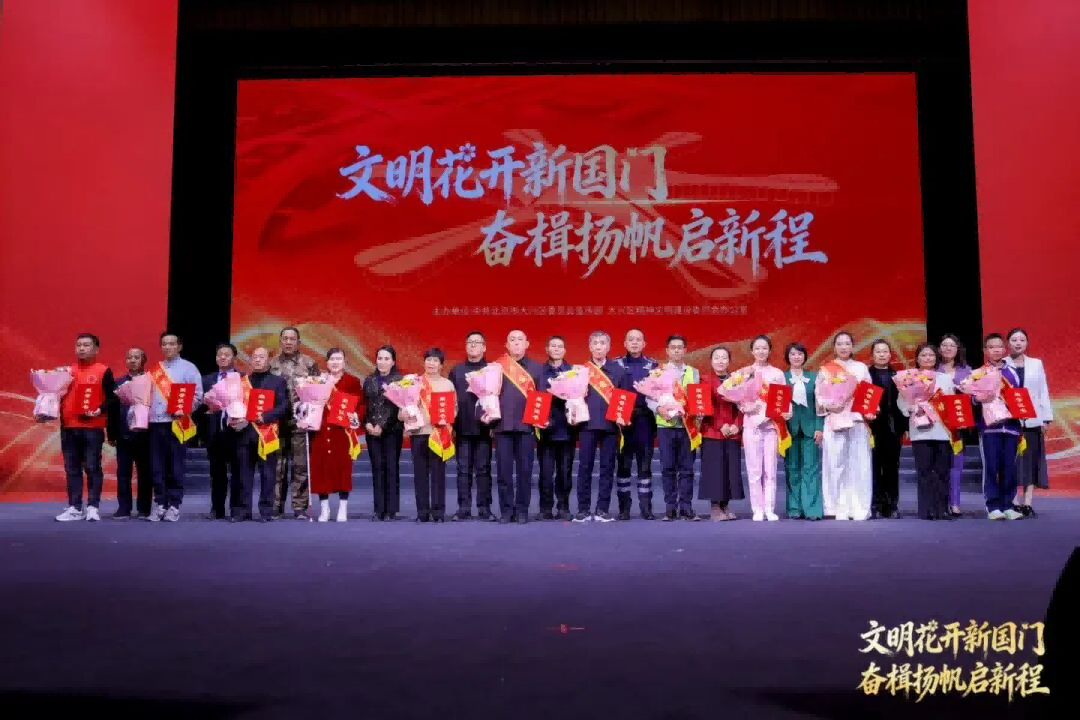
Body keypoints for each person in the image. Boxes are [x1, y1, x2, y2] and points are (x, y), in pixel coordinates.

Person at [53, 333, 115, 522]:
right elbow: (55, 395)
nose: (81, 348)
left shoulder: (103, 371)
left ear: (96, 349)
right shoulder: (67, 372)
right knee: (72, 469)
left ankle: (93, 507)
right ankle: (74, 507)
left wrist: (100, 410)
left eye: (86, 345)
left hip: (92, 428)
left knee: (92, 467)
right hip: (68, 427)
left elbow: (112, 398)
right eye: (78, 345)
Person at [816, 331, 874, 521]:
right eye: (840, 344)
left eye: (847, 343)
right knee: (835, 464)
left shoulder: (861, 368)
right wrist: (830, 406)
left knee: (859, 463)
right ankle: (837, 506)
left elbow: (868, 394)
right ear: (834, 347)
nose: (843, 347)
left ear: (852, 346)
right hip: (834, 420)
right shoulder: (826, 369)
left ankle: (859, 507)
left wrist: (869, 411)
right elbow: (819, 396)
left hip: (856, 421)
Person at [574, 331, 630, 522]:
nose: (599, 346)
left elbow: (625, 397)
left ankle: (602, 510)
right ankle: (583, 509)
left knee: (607, 468)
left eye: (602, 343)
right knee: (585, 468)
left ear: (608, 347)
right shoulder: (581, 371)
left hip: (610, 426)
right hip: (587, 425)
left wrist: (623, 417)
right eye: (595, 343)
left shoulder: (619, 371)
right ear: (590, 347)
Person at [146, 332, 202, 522]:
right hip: (155, 424)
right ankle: (160, 503)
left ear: (179, 346)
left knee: (176, 466)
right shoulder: (154, 370)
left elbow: (198, 396)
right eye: (164, 344)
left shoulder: (189, 368)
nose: (168, 347)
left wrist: (185, 409)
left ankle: (174, 505)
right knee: (156, 467)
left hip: (177, 423)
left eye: (171, 343)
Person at [492, 329, 544, 524]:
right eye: (512, 339)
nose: (516, 342)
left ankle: (522, 510)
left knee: (525, 471)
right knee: (503, 472)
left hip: (526, 427)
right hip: (502, 426)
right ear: (506, 345)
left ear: (527, 344)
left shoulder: (537, 368)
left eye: (519, 339)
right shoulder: (496, 367)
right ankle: (506, 511)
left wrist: (540, 419)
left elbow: (542, 398)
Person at [898, 343, 955, 520]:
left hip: (942, 430)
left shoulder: (944, 378)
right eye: (923, 355)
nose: (927, 358)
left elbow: (951, 401)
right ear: (917, 358)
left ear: (936, 358)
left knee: (942, 471)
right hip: (920, 430)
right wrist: (909, 408)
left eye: (931, 355)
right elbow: (901, 401)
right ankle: (926, 509)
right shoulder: (908, 378)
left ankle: (942, 508)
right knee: (924, 471)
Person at [234, 347, 289, 522]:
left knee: (268, 474)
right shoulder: (242, 382)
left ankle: (266, 511)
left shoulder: (278, 382)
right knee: (244, 474)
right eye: (254, 357)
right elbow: (234, 404)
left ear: (268, 360)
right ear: (250, 360)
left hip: (267, 433)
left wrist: (265, 416)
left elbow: (284, 406)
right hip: (244, 434)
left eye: (261, 357)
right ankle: (244, 510)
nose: (257, 360)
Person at [973, 333, 1024, 520]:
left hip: (1011, 427)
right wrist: (978, 398)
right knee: (991, 467)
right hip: (989, 428)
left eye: (999, 346)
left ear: (1004, 349)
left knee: (1009, 467)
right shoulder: (978, 373)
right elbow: (973, 399)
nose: (996, 350)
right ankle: (992, 506)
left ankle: (1008, 505)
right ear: (985, 351)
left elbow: (1020, 397)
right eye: (991, 347)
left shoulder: (1013, 372)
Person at [309, 348, 364, 522]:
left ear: (345, 362)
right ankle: (324, 509)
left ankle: (343, 507)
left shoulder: (352, 381)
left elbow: (360, 405)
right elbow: (310, 403)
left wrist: (355, 417)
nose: (335, 362)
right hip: (321, 430)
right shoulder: (318, 381)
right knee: (321, 469)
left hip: (342, 432)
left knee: (343, 469)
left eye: (339, 359)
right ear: (327, 362)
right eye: (332, 359)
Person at [269, 326, 318, 519]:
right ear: (280, 341)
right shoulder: (271, 364)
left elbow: (317, 391)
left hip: (301, 423)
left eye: (292, 339)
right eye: (285, 338)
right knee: (277, 466)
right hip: (277, 423)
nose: (288, 342)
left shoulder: (309, 363)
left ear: (299, 342)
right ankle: (276, 506)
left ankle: (299, 507)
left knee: (300, 466)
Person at [405, 348, 456, 523]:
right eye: (428, 359)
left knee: (438, 474)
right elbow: (402, 409)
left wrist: (447, 418)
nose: (431, 363)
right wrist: (404, 414)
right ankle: (422, 513)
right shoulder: (413, 383)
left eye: (435, 360)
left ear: (441, 365)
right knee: (420, 474)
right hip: (419, 433)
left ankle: (439, 512)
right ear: (424, 362)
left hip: (439, 434)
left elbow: (454, 409)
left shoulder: (448, 385)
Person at [1006, 328, 1053, 518]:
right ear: (1008, 343)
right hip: (1009, 421)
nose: (1018, 343)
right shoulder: (1002, 364)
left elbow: (1042, 390)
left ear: (1026, 343)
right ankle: (1013, 501)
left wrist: (1046, 417)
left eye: (1022, 340)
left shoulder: (1036, 363)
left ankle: (1027, 502)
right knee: (1011, 461)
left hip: (1032, 420)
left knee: (1031, 461)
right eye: (1014, 340)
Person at [448, 332, 495, 521]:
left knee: (484, 470)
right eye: (470, 342)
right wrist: (451, 425)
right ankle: (464, 508)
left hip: (484, 428)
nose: (473, 345)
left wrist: (494, 424)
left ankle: (484, 508)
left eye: (477, 342)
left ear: (484, 347)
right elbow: (450, 401)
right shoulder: (457, 370)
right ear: (466, 346)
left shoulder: (492, 370)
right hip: (462, 428)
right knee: (463, 470)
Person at [738, 335, 785, 522]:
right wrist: (744, 407)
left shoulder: (777, 374)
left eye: (764, 348)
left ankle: (769, 508)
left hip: (771, 426)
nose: (761, 351)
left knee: (770, 470)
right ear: (752, 351)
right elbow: (738, 398)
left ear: (769, 350)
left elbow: (782, 399)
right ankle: (757, 509)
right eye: (757, 348)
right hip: (751, 425)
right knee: (754, 470)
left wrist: (782, 411)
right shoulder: (744, 373)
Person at [654, 334, 701, 521]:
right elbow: (651, 397)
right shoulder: (659, 371)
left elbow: (698, 397)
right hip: (665, 426)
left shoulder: (693, 372)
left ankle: (686, 507)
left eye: (680, 347)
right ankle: (670, 507)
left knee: (687, 468)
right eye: (673, 347)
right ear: (667, 351)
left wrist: (699, 411)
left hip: (687, 427)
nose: (676, 350)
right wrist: (658, 408)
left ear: (685, 350)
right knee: (667, 468)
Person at [614, 328, 659, 519]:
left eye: (638, 339)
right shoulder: (616, 364)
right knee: (623, 465)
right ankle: (624, 508)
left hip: (645, 421)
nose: (634, 343)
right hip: (622, 421)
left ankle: (646, 508)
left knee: (645, 465)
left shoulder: (653, 365)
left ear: (644, 344)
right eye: (630, 339)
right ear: (625, 343)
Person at [198, 342, 244, 520]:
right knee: (216, 472)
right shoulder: (207, 380)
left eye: (227, 354)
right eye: (219, 355)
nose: (222, 357)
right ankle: (217, 508)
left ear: (234, 358)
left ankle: (236, 509)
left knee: (237, 472)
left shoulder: (242, 378)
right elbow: (200, 408)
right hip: (214, 432)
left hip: (236, 431)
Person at [698, 346, 743, 521]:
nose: (720, 361)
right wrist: (719, 425)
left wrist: (737, 425)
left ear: (729, 361)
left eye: (724, 357)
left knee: (730, 469)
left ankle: (725, 505)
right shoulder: (705, 380)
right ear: (711, 361)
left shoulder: (737, 380)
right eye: (716, 357)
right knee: (714, 470)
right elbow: (704, 407)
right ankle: (715, 507)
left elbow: (743, 406)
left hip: (732, 432)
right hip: (712, 432)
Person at [109, 348, 152, 519]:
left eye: (136, 357)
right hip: (123, 434)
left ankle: (144, 508)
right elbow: (112, 410)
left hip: (145, 435)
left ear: (143, 360)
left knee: (145, 472)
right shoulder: (118, 382)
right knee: (123, 473)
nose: (132, 360)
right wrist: (111, 433)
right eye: (129, 358)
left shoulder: (151, 381)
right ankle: (124, 508)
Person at [783, 342, 824, 521]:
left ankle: (812, 509)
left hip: (810, 429)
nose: (796, 357)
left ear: (805, 356)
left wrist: (819, 427)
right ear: (788, 357)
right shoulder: (781, 377)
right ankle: (794, 508)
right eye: (793, 354)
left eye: (800, 354)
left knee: (811, 469)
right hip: (789, 430)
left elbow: (820, 405)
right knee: (792, 469)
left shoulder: (814, 377)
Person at [536, 336, 575, 520]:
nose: (557, 349)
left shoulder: (573, 372)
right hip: (545, 430)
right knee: (545, 473)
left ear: (564, 351)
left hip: (567, 429)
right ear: (547, 349)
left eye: (560, 346)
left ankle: (563, 506)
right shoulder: (539, 372)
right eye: (553, 346)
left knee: (565, 472)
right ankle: (545, 508)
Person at [363, 346, 404, 521]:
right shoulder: (369, 380)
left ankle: (391, 509)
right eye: (380, 358)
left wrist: (382, 425)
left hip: (392, 430)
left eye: (386, 359)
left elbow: (397, 407)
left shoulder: (400, 381)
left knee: (391, 467)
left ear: (393, 361)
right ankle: (379, 509)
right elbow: (364, 405)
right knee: (377, 467)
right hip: (372, 431)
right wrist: (366, 423)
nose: (382, 362)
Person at [867, 339, 906, 519]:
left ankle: (891, 505)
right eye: (878, 351)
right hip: (871, 428)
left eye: (885, 351)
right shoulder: (866, 376)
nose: (881, 354)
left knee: (892, 468)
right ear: (872, 355)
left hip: (893, 428)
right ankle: (875, 504)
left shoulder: (898, 376)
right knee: (874, 467)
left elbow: (904, 403)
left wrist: (904, 427)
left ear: (890, 354)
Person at [937, 334, 971, 518]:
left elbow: (975, 397)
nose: (948, 348)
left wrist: (968, 392)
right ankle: (941, 502)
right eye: (944, 345)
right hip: (938, 423)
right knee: (940, 464)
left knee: (956, 465)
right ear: (939, 348)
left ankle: (955, 503)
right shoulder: (933, 369)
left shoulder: (967, 371)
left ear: (958, 349)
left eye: (952, 345)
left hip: (958, 423)